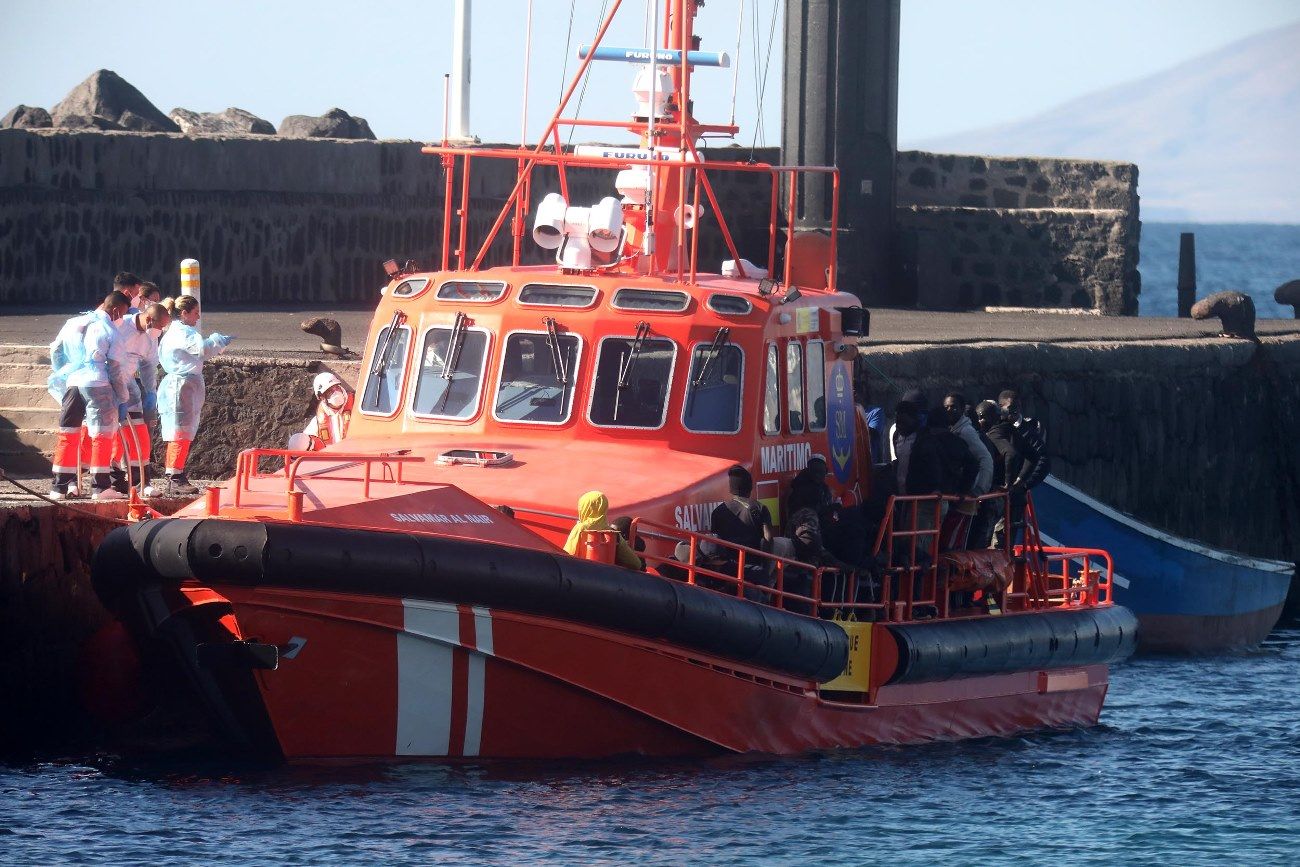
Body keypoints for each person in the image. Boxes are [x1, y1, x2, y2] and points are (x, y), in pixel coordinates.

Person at [156, 296, 233, 496]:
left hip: (183, 385)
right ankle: (174, 477)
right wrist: (217, 340)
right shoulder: (183, 333)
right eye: (196, 312)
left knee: (182, 432)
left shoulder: (176, 331)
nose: (198, 317)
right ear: (184, 313)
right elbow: (203, 350)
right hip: (181, 387)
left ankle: (176, 474)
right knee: (179, 433)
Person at [62, 291, 132, 499]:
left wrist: (62, 376)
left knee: (68, 433)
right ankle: (101, 488)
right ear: (116, 310)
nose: (121, 319)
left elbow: (57, 350)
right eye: (122, 314)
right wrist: (122, 396)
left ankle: (60, 485)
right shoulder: (109, 330)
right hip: (97, 382)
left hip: (73, 382)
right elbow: (116, 368)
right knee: (102, 434)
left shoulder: (75, 322)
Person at [108, 302, 170, 493]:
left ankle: (141, 481)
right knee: (109, 434)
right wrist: (116, 393)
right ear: (149, 319)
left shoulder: (150, 339)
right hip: (107, 383)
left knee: (139, 432)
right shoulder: (120, 327)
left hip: (129, 385)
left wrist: (151, 391)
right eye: (160, 327)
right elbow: (109, 359)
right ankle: (109, 479)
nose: (160, 331)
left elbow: (148, 366)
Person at [980, 399, 1050, 547]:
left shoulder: (1000, 433)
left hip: (1004, 495)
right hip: (1007, 495)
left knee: (995, 543)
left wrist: (1015, 483)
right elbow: (1033, 456)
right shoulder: (1009, 431)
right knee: (998, 544)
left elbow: (1033, 456)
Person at [942, 392, 994, 549]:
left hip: (967, 495)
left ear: (962, 409)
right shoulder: (951, 430)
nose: (949, 411)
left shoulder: (966, 432)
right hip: (955, 494)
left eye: (954, 408)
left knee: (955, 542)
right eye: (946, 408)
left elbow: (985, 459)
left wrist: (979, 488)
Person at [563, 491, 643, 571]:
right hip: (605, 576)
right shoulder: (613, 534)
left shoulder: (580, 528)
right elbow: (635, 563)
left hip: (579, 572)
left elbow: (567, 554)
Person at [287, 372, 354, 451]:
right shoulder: (318, 422)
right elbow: (305, 441)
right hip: (333, 460)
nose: (336, 392)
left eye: (336, 388)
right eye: (330, 391)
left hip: (359, 457)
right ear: (322, 397)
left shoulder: (358, 406)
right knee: (297, 441)